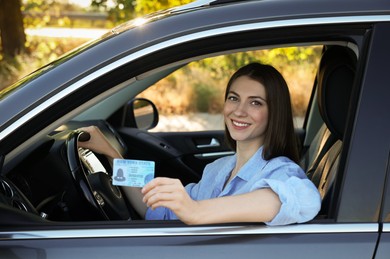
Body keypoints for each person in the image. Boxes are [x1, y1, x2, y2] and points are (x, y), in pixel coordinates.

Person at [79, 62, 321, 226]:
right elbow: (158, 212)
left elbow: (302, 200)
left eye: (255, 103)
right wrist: (113, 156)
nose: (239, 111)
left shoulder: (281, 170)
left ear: (274, 112)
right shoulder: (217, 169)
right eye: (233, 98)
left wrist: (194, 212)